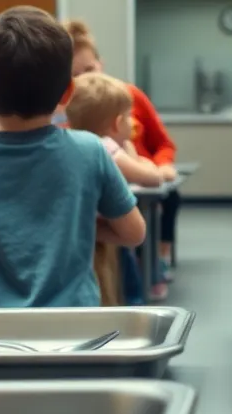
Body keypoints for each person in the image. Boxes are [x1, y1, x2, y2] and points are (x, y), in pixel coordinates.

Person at [0, 6, 146, 308]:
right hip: (72, 327)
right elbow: (134, 232)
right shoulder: (90, 149)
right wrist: (76, 225)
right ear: (68, 94)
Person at [65, 71, 164, 306]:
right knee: (118, 285)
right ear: (118, 123)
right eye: (129, 117)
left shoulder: (72, 143)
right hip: (105, 234)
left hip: (77, 232)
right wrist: (135, 152)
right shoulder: (107, 148)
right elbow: (153, 178)